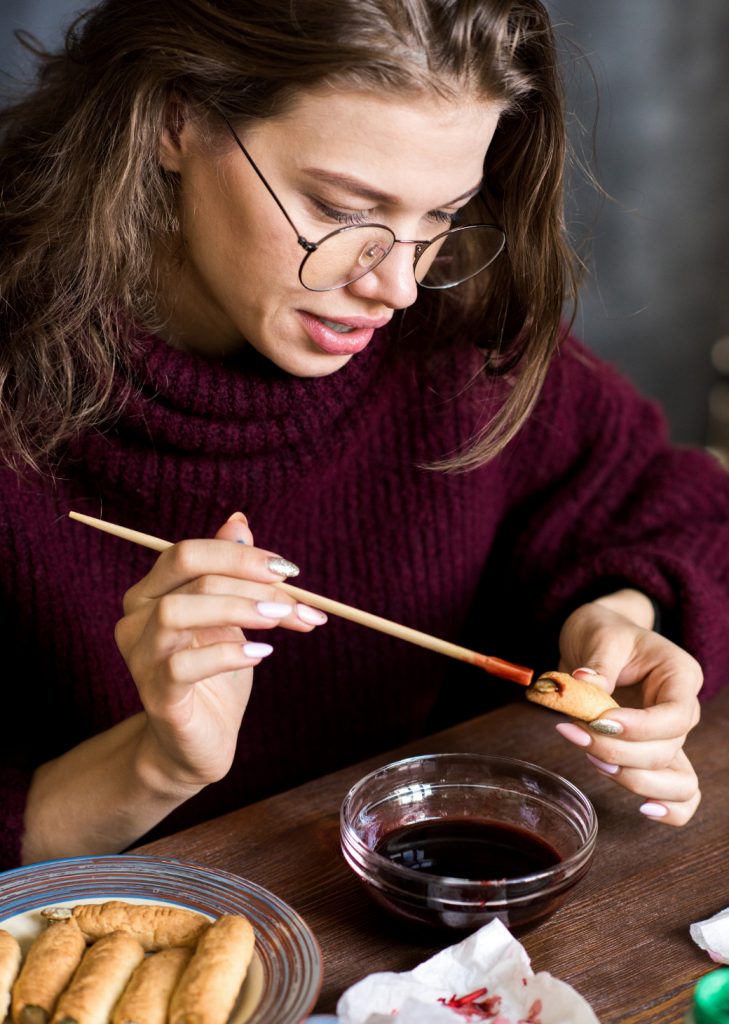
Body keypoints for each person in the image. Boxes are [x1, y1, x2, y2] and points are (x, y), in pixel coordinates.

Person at [1, 0, 728, 873]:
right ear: (173, 119)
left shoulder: (450, 347)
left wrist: (617, 618)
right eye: (343, 209)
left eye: (441, 216)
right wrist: (155, 764)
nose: (396, 287)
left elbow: (679, 510)